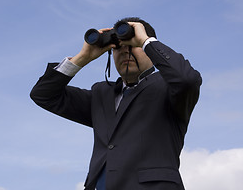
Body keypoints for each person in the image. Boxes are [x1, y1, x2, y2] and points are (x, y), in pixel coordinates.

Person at [30, 17, 202, 190]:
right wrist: (82, 58)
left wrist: (146, 41)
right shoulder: (101, 94)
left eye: (134, 46)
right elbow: (43, 95)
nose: (126, 52)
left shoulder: (169, 89)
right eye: (119, 48)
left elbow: (187, 80)